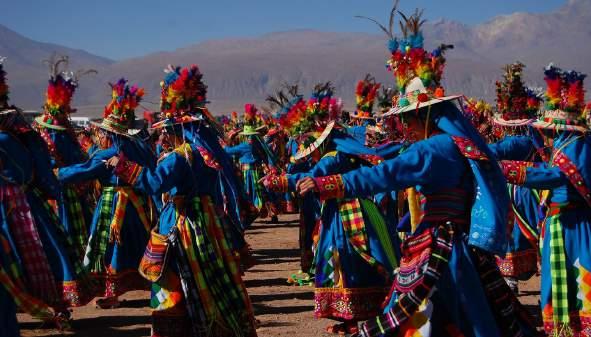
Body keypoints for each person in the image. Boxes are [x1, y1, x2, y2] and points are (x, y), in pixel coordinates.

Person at [300, 9, 535, 336]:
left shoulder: (433, 149)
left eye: (408, 119)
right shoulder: (457, 145)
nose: (405, 127)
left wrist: (329, 184)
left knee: (424, 309)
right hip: (461, 243)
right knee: (472, 311)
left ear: (424, 116)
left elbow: (386, 176)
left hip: (439, 243)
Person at [109, 64, 257, 337]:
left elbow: (153, 182)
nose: (164, 135)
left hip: (183, 225)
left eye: (167, 129)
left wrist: (122, 166)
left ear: (178, 126)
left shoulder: (181, 155)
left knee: (173, 282)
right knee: (211, 280)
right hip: (208, 225)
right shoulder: (204, 151)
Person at [264, 83, 399, 335]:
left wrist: (280, 180)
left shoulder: (331, 158)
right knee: (353, 259)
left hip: (346, 216)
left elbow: (312, 177)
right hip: (355, 210)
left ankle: (354, 314)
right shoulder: (340, 152)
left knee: (344, 259)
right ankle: (360, 312)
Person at [499, 64, 591, 336]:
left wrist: (503, 169)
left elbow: (553, 176)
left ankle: (572, 327)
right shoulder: (566, 144)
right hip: (562, 223)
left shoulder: (576, 148)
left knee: (578, 275)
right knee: (566, 276)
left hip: (570, 225)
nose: (544, 135)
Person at [58, 79, 154, 309]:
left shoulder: (109, 153)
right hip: (138, 204)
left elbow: (84, 170)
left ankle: (113, 296)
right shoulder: (140, 147)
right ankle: (153, 287)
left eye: (102, 131)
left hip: (113, 205)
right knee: (141, 242)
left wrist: (56, 173)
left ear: (109, 132)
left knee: (111, 247)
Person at [488, 63, 545, 293]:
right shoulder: (530, 141)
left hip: (517, 193)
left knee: (512, 233)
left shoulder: (517, 142)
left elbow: (494, 150)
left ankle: (510, 278)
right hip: (526, 190)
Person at [34, 54, 95, 257]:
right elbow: (73, 161)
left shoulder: (48, 131)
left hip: (52, 191)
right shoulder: (57, 133)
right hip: (64, 192)